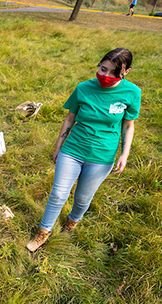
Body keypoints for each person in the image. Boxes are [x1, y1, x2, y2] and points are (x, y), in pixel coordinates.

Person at [26, 48, 141, 252]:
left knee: (82, 198)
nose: (105, 76)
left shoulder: (132, 93)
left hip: (102, 156)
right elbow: (70, 118)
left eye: (114, 72)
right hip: (73, 150)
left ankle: (71, 224)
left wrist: (125, 153)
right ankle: (43, 232)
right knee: (58, 194)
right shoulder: (83, 88)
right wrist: (58, 146)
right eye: (103, 69)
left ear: (126, 72)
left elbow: (128, 125)